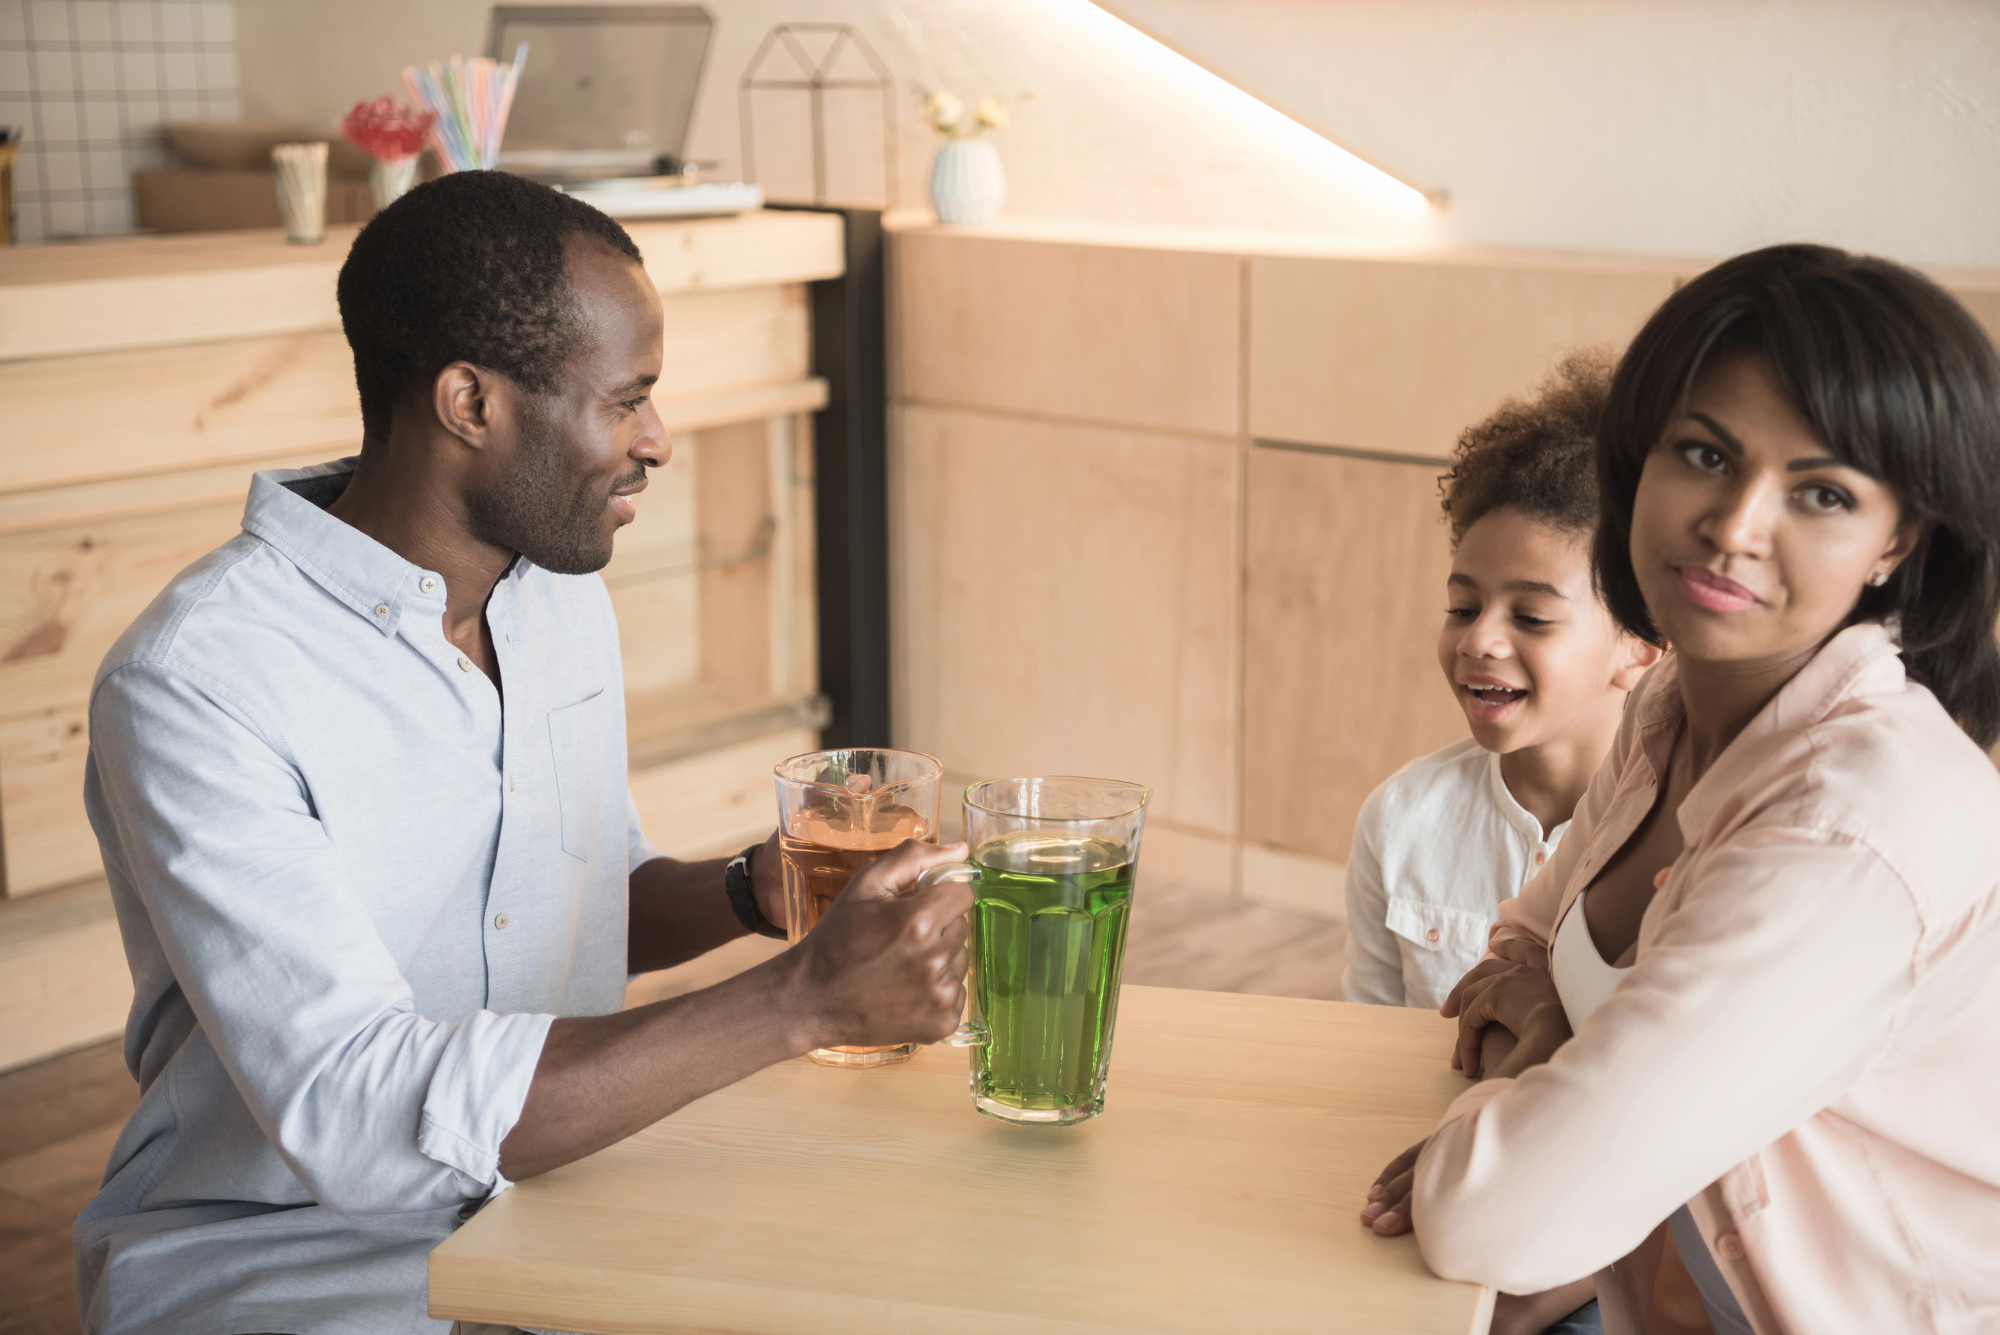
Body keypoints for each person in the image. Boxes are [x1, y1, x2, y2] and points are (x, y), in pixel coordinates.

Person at [74, 171, 973, 1335]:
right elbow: (354, 1111)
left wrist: (767, 891)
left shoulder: (548, 597)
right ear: (469, 402)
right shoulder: (198, 683)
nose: (658, 440)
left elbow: (575, 905)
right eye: (626, 400)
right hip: (288, 1257)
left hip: (554, 1187)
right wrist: (799, 1001)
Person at [1361, 244, 2000, 1334]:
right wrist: (1557, 1070)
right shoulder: (1673, 709)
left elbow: (1497, 1220)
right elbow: (1514, 951)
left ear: (1895, 538)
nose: (1734, 526)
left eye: (1819, 492)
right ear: (1636, 461)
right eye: (1703, 455)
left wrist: (1544, 1067)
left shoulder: (1848, 831)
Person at [1343, 353, 1661, 1335]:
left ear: (1640, 641)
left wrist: (1513, 1301)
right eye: (1460, 603)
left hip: (1608, 1251)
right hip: (1436, 1194)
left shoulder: (1681, 830)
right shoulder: (1398, 821)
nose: (1478, 639)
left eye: (1529, 614)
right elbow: (1366, 1057)